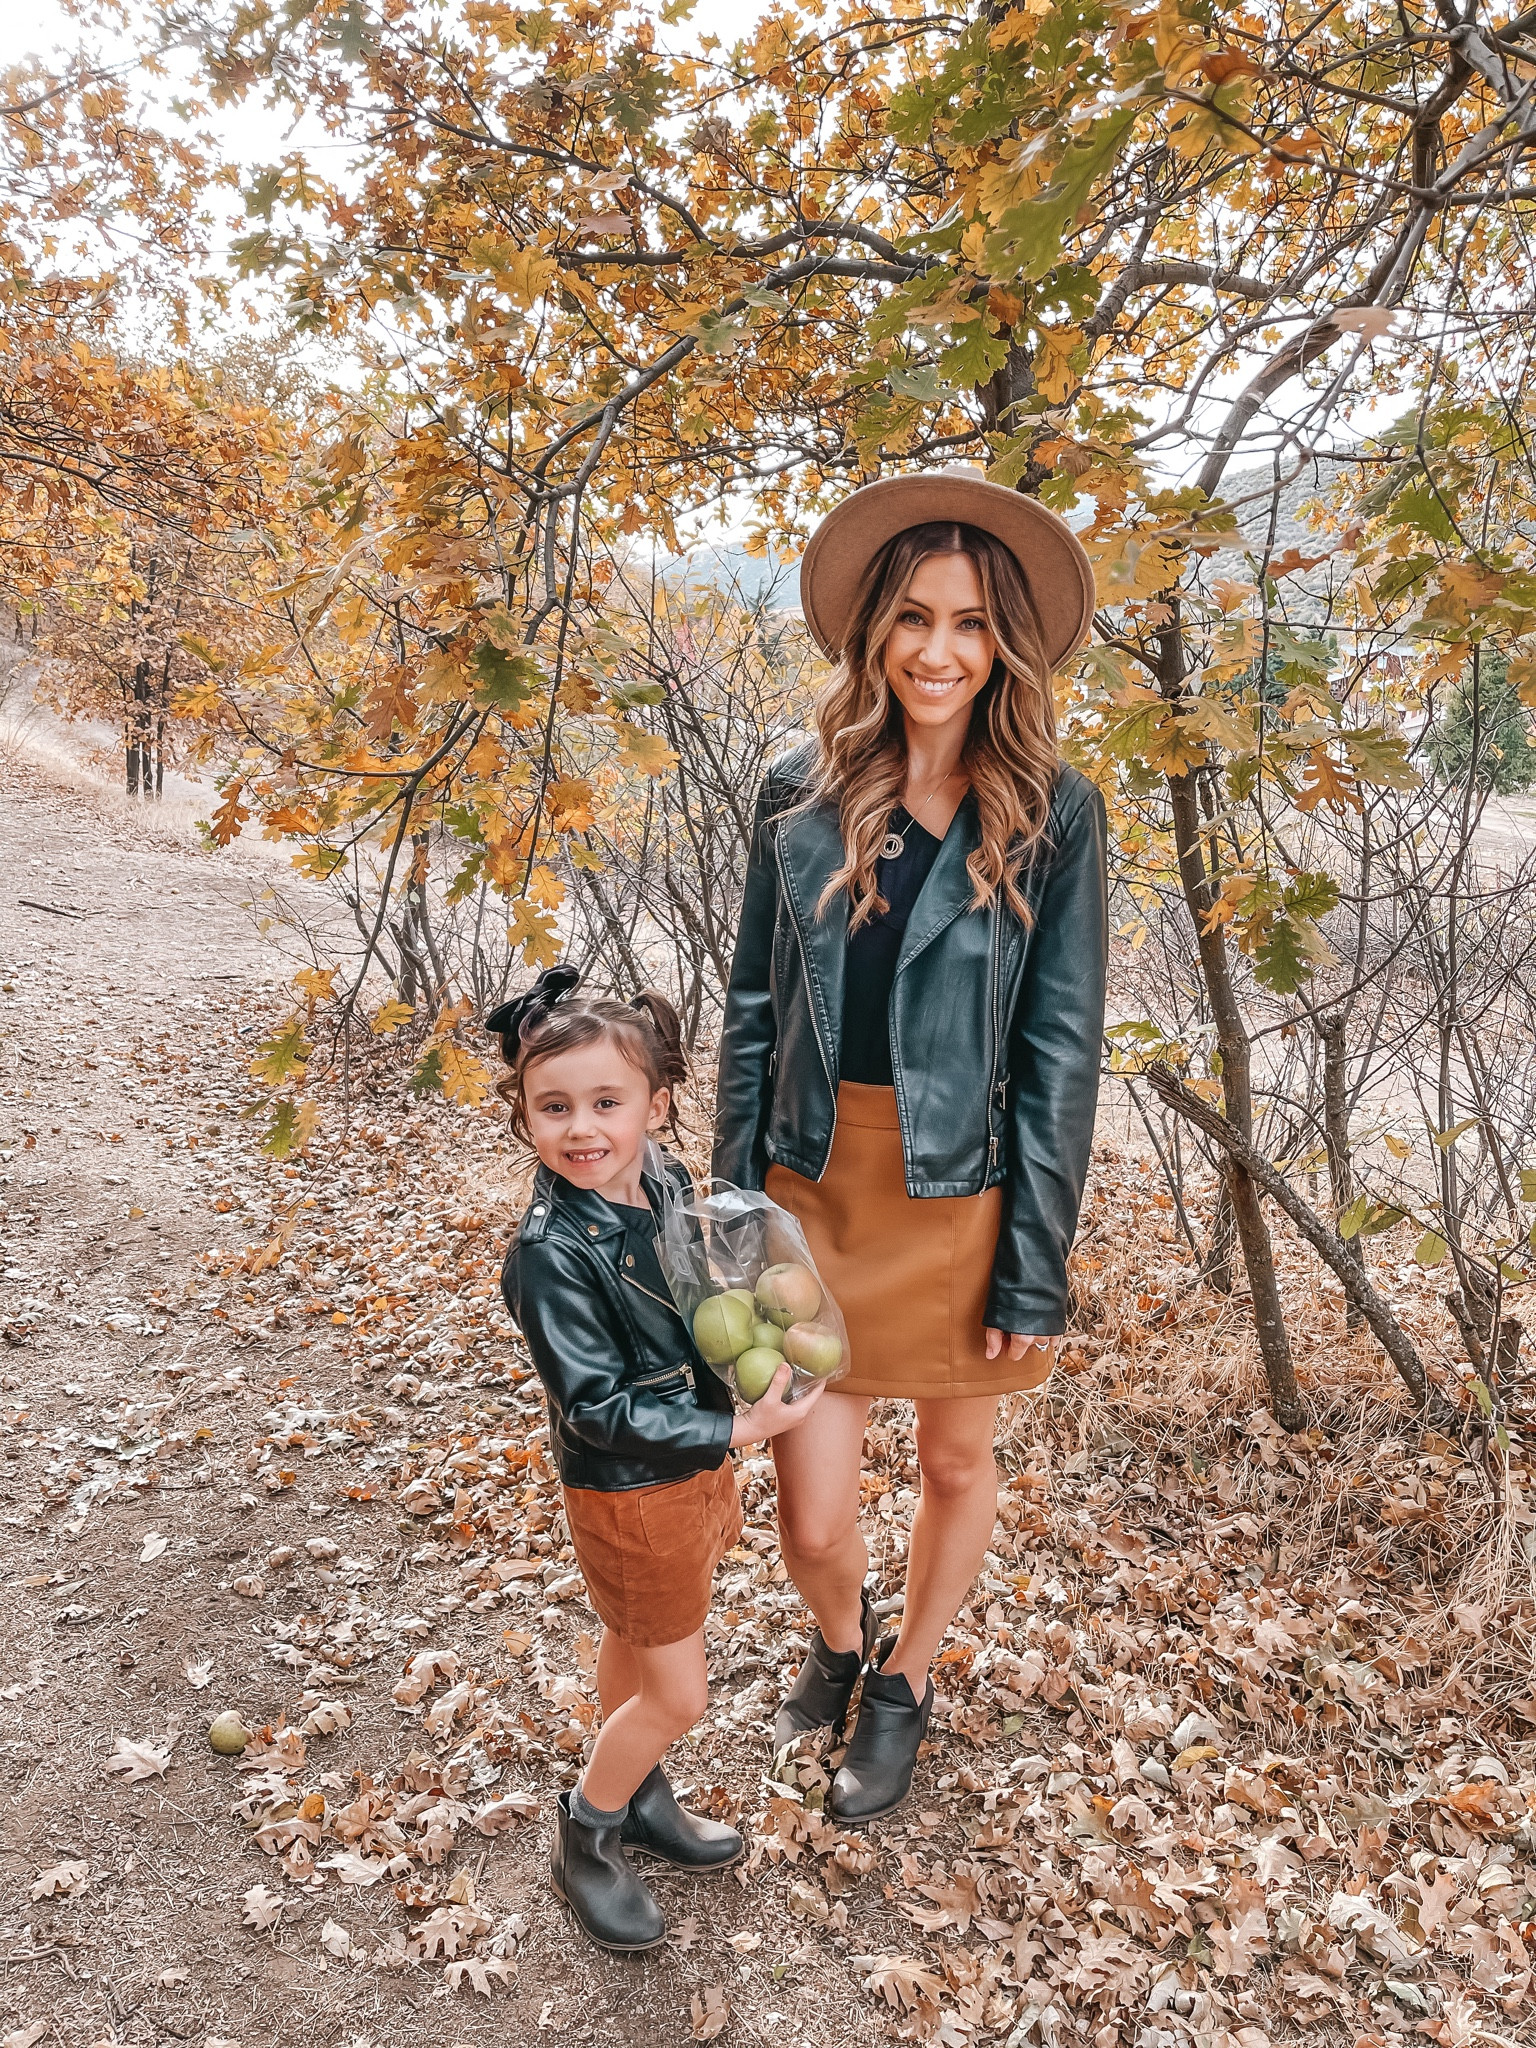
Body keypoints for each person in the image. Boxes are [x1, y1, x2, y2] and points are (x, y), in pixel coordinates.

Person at [714, 465, 1108, 1825]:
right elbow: (754, 1013)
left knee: (952, 1465)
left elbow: (1062, 1051)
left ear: (1005, 646)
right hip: (813, 1187)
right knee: (812, 1517)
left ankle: (905, 1683)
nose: (942, 651)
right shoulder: (795, 788)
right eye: (918, 619)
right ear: (875, 631)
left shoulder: (1055, 809)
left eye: (973, 625)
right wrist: (724, 1215)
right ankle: (838, 1639)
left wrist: (1035, 1268)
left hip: (967, 1194)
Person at [494, 967, 824, 1950]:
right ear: (525, 1115)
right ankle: (586, 1831)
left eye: (607, 1101)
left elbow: (695, 1278)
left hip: (685, 1467)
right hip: (632, 1485)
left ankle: (637, 1791)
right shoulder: (550, 1251)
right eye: (554, 1106)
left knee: (636, 1642)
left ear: (657, 1102)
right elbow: (595, 1404)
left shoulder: (667, 1176)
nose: (582, 1127)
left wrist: (757, 1298)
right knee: (679, 1691)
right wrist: (734, 1429)